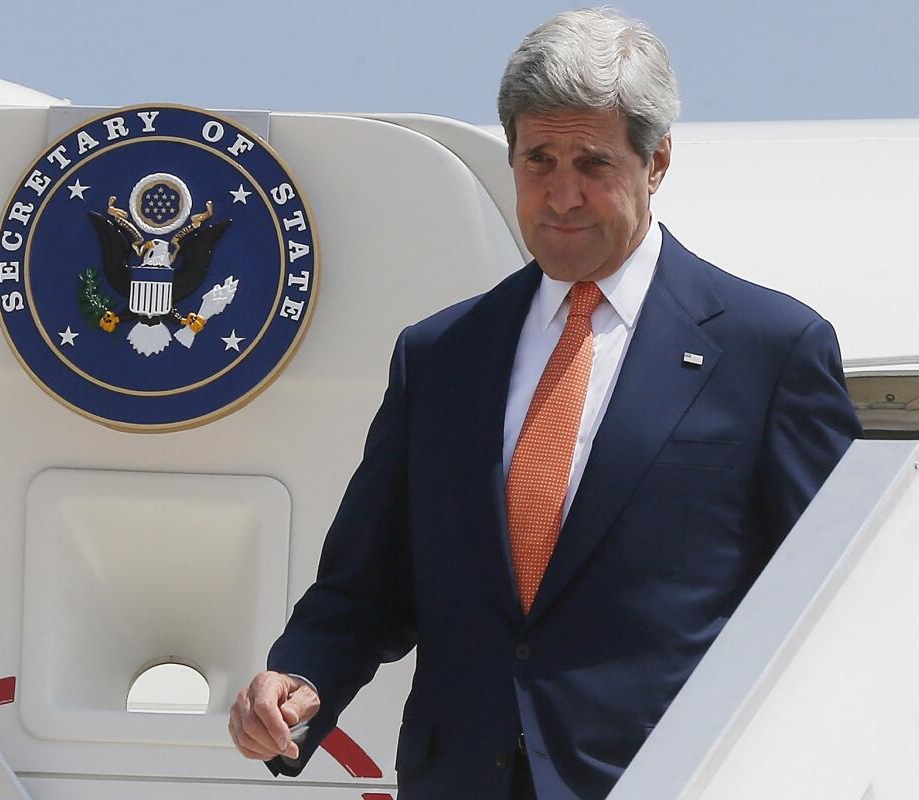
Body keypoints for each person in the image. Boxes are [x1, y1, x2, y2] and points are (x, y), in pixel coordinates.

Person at [229, 8, 863, 799]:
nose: (562, 195)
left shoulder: (772, 352)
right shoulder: (440, 357)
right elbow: (366, 586)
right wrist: (302, 677)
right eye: (539, 160)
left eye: (593, 162)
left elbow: (835, 601)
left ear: (656, 159)